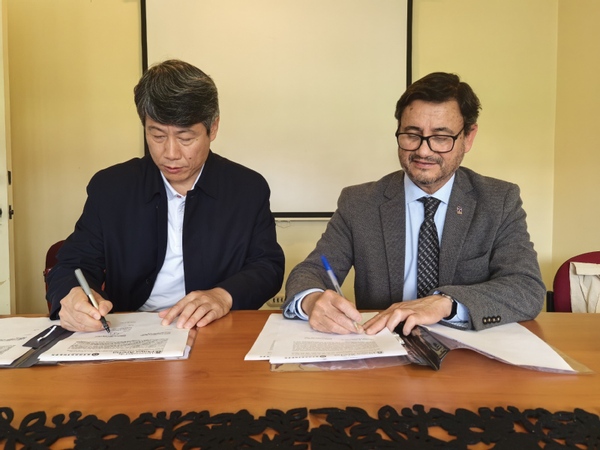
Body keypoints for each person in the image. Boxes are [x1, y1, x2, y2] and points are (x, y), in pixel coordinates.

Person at [283, 72, 545, 336]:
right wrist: (312, 300)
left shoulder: (499, 200)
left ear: (468, 137)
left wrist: (445, 303)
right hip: (381, 344)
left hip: (466, 349)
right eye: (411, 134)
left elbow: (526, 288)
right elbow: (311, 271)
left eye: (441, 137)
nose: (423, 151)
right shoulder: (359, 202)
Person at [47, 59, 284, 332]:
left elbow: (267, 266)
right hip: (128, 329)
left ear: (213, 128)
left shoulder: (247, 188)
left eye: (185, 138)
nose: (170, 153)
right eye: (157, 136)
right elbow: (73, 264)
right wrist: (73, 295)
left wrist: (223, 295)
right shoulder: (111, 188)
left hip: (213, 328)